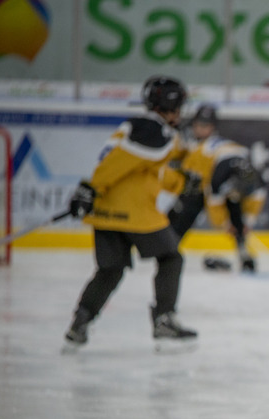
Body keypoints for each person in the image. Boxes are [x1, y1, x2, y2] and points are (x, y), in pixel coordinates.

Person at [62, 76, 198, 353]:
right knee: (171, 257)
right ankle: (164, 318)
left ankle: (81, 322)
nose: (181, 113)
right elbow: (118, 163)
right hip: (134, 212)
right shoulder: (152, 130)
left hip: (106, 211)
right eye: (179, 106)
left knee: (110, 270)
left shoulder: (139, 129)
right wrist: (89, 188)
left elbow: (145, 169)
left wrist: (181, 182)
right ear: (170, 106)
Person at [167, 103, 267, 273]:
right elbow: (213, 203)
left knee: (235, 209)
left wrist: (247, 222)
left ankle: (242, 250)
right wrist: (225, 225)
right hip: (202, 178)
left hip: (219, 172)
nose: (200, 129)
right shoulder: (213, 172)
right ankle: (168, 247)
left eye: (205, 125)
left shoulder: (253, 179)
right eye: (198, 125)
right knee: (189, 207)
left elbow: (257, 196)